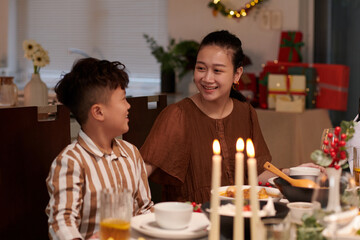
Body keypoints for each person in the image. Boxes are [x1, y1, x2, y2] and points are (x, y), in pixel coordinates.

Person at [140, 30, 273, 204]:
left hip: (240, 217)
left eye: (217, 70)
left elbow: (258, 173)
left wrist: (292, 174)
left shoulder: (245, 112)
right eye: (201, 68)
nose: (207, 78)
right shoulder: (178, 115)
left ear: (237, 74)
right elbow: (140, 173)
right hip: (192, 222)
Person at [46, 58, 153, 240]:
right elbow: (61, 223)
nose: (128, 106)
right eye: (123, 99)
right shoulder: (70, 161)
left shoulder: (131, 153)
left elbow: (145, 209)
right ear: (98, 112)